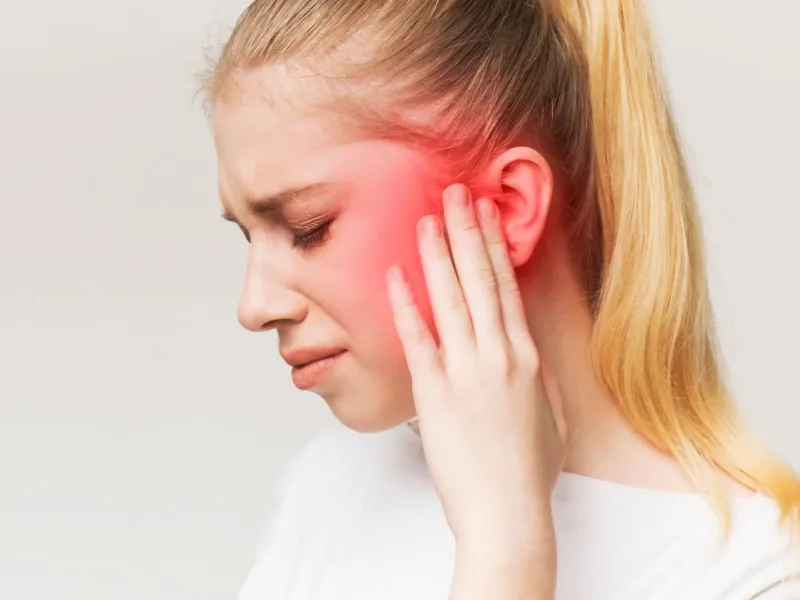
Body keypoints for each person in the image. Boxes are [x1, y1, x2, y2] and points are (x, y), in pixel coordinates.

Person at [201, 0, 800, 597]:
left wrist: (508, 546)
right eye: (250, 235)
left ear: (509, 209)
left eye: (308, 227)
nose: (254, 306)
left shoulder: (752, 572)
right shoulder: (329, 488)